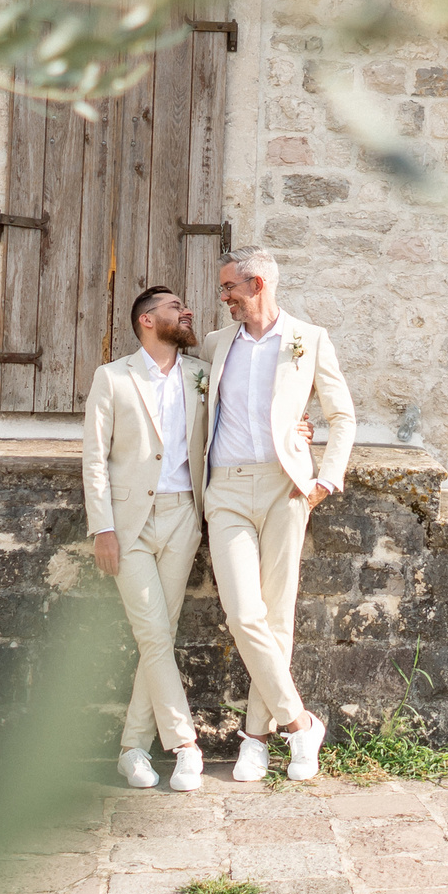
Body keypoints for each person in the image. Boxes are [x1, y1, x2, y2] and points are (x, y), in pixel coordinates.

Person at [200, 245, 354, 782]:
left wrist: (323, 482)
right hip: (225, 490)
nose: (223, 298)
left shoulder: (308, 340)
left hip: (287, 490)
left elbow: (342, 416)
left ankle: (255, 739)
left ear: (257, 284)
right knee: (244, 615)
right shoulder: (217, 345)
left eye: (230, 289)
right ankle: (300, 722)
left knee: (277, 617)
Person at [83, 285, 209, 792]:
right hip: (129, 523)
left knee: (161, 631)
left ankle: (133, 747)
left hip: (184, 516)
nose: (187, 311)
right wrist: (103, 528)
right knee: (154, 633)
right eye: (175, 307)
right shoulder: (112, 378)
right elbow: (95, 457)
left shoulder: (202, 375)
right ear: (147, 322)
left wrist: (299, 430)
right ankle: (185, 745)